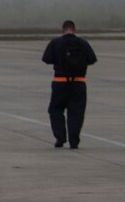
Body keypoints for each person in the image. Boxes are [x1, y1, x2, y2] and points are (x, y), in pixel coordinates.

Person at [42, 20, 98, 149]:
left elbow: (47, 59)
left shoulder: (55, 43)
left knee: (55, 110)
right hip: (78, 83)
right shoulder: (83, 43)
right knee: (76, 112)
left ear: (63, 29)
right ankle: (74, 141)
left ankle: (60, 137)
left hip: (60, 83)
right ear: (74, 29)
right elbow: (92, 59)